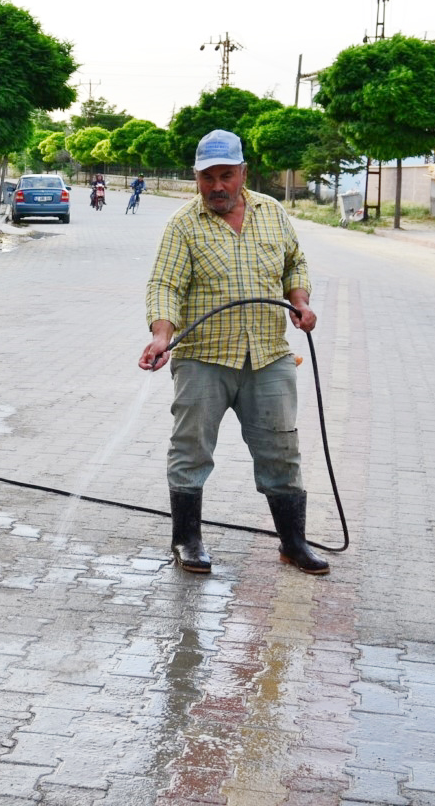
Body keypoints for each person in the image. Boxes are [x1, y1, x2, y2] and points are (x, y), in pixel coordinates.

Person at [137, 129, 328, 576]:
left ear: (243, 173)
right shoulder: (183, 224)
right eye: (208, 178)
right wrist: (162, 334)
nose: (217, 187)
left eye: (226, 175)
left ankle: (293, 543)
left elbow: (294, 262)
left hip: (268, 356)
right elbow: (164, 284)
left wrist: (299, 302)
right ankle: (187, 541)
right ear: (196, 177)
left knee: (282, 450)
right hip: (204, 357)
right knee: (191, 449)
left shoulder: (272, 213)